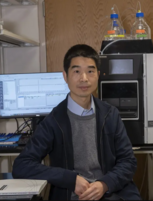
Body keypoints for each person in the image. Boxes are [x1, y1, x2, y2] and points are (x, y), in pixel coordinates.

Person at [12, 44, 141, 200]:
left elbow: (128, 161)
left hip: (111, 192)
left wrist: (104, 184)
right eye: (77, 71)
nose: (84, 78)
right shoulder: (53, 120)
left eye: (90, 71)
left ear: (98, 75)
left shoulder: (110, 114)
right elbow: (22, 165)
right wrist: (70, 179)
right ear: (65, 76)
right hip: (71, 195)